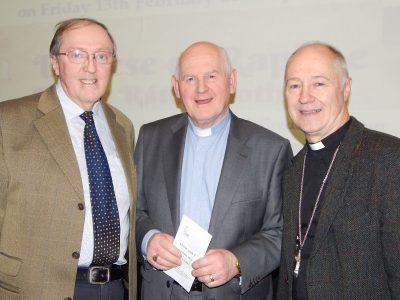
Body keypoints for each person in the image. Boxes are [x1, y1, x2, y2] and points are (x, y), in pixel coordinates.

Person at [135, 41, 292, 300]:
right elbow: (135, 212)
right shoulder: (150, 138)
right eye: (190, 78)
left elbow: (280, 232)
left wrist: (237, 262)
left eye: (211, 76)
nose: (201, 88)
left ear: (231, 82)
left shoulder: (270, 149)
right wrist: (147, 239)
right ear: (176, 87)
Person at [0, 18, 137, 300]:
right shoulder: (8, 121)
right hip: (34, 290)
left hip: (113, 289)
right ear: (55, 62)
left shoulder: (123, 126)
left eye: (101, 56)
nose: (91, 66)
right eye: (77, 55)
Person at [277, 42, 400, 299]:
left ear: (346, 88)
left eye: (319, 84)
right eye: (294, 85)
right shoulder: (291, 171)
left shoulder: (388, 158)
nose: (304, 97)